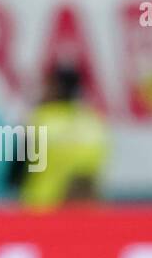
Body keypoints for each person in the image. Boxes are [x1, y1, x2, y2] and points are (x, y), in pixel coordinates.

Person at [16, 63, 109, 206]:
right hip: (84, 214)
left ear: (56, 87)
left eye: (47, 85)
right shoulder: (93, 123)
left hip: (41, 212)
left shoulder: (40, 121)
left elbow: (17, 173)